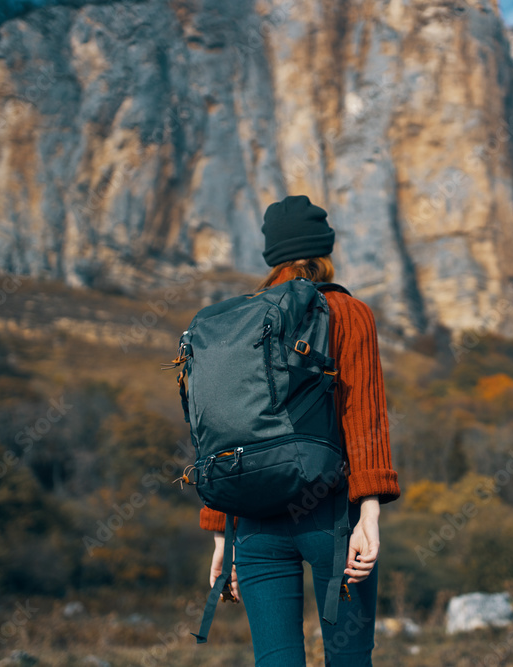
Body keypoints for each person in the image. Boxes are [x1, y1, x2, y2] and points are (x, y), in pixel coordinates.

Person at [199, 195, 401, 666]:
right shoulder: (348, 312)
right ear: (324, 251)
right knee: (349, 658)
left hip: (251, 520)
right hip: (331, 518)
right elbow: (364, 418)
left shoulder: (236, 321)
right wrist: (368, 515)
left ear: (273, 257)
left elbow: (216, 429)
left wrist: (220, 534)